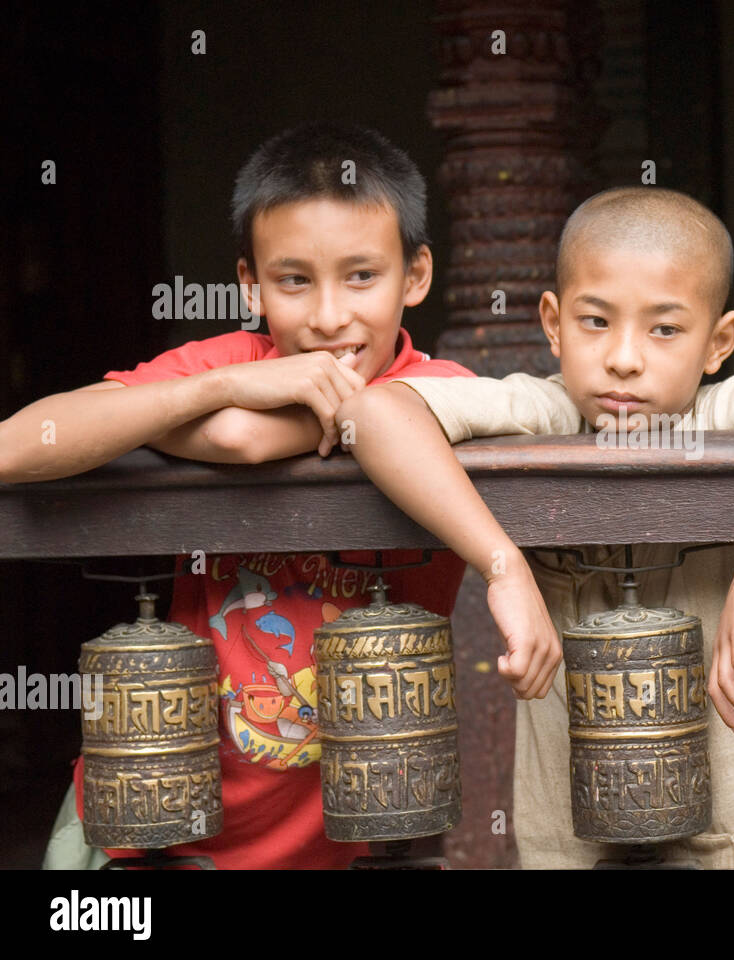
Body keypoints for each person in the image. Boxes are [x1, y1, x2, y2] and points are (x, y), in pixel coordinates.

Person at [339, 185, 734, 867]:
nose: (624, 358)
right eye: (595, 322)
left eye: (664, 329)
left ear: (719, 342)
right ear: (553, 323)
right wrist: (501, 565)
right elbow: (373, 414)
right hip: (579, 841)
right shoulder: (541, 414)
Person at [0, 122, 475, 869]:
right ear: (249, 284)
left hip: (328, 835)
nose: (327, 316)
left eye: (361, 276)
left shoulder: (434, 393)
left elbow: (241, 443)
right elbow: (18, 447)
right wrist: (223, 385)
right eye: (293, 280)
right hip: (141, 809)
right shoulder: (229, 364)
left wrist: (179, 417)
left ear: (415, 276)